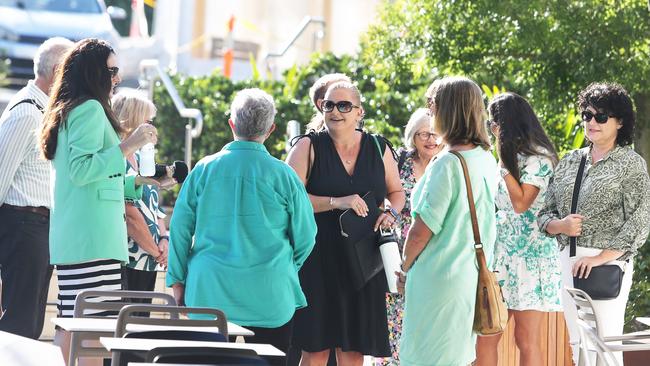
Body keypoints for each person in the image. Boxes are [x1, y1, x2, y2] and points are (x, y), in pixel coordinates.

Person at [166, 88, 317, 365]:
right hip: (270, 292)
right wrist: (284, 266)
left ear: (231, 124)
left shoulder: (203, 170)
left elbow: (179, 229)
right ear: (271, 129)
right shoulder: (284, 176)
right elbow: (307, 236)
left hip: (209, 292)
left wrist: (177, 281)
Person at [39, 38, 158, 364]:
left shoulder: (74, 107)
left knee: (73, 327)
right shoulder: (89, 108)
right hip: (92, 241)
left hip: (81, 239)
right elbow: (82, 170)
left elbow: (91, 177)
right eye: (112, 70)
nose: (117, 77)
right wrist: (128, 145)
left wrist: (137, 180)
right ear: (94, 71)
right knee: (92, 334)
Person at [287, 81, 405, 366]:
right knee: (315, 351)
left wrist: (391, 213)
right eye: (329, 105)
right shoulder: (308, 146)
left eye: (344, 106)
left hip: (363, 262)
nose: (335, 111)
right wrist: (336, 201)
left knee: (354, 351)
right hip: (318, 261)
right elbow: (289, 200)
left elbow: (397, 192)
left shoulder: (378, 147)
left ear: (359, 112)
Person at [538, 82, 650, 366]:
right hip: (568, 260)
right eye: (587, 115)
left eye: (602, 117)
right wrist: (560, 226)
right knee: (578, 343)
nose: (592, 122)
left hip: (606, 264)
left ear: (620, 121)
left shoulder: (630, 164)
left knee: (604, 343)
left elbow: (641, 218)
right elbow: (544, 214)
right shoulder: (570, 161)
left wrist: (601, 258)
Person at [397, 76, 498, 366]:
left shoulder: (448, 164)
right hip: (469, 277)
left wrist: (403, 268)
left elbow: (421, 230)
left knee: (426, 358)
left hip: (438, 279)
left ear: (448, 110)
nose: (429, 112)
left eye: (432, 105)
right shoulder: (485, 159)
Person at [475, 92, 562, 366]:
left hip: (532, 258)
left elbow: (522, 202)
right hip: (500, 258)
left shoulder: (540, 158)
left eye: (493, 124)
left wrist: (502, 165)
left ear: (506, 124)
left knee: (525, 340)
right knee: (486, 336)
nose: (491, 129)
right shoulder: (501, 158)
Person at [0, 37, 73, 339]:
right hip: (24, 224)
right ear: (57, 71)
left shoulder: (42, 111)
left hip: (38, 225)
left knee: (29, 320)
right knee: (20, 320)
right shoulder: (26, 113)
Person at [375, 107, 444, 366]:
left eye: (436, 134)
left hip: (433, 256)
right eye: (424, 134)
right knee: (395, 323)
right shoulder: (400, 161)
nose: (430, 139)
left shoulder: (447, 165)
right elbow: (382, 193)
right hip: (397, 254)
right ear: (413, 136)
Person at [112, 91, 173, 305]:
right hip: (127, 260)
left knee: (140, 328)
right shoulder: (116, 158)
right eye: (147, 120)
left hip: (148, 261)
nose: (152, 127)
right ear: (133, 121)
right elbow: (129, 214)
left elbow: (156, 207)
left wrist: (165, 239)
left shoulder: (142, 158)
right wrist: (157, 251)